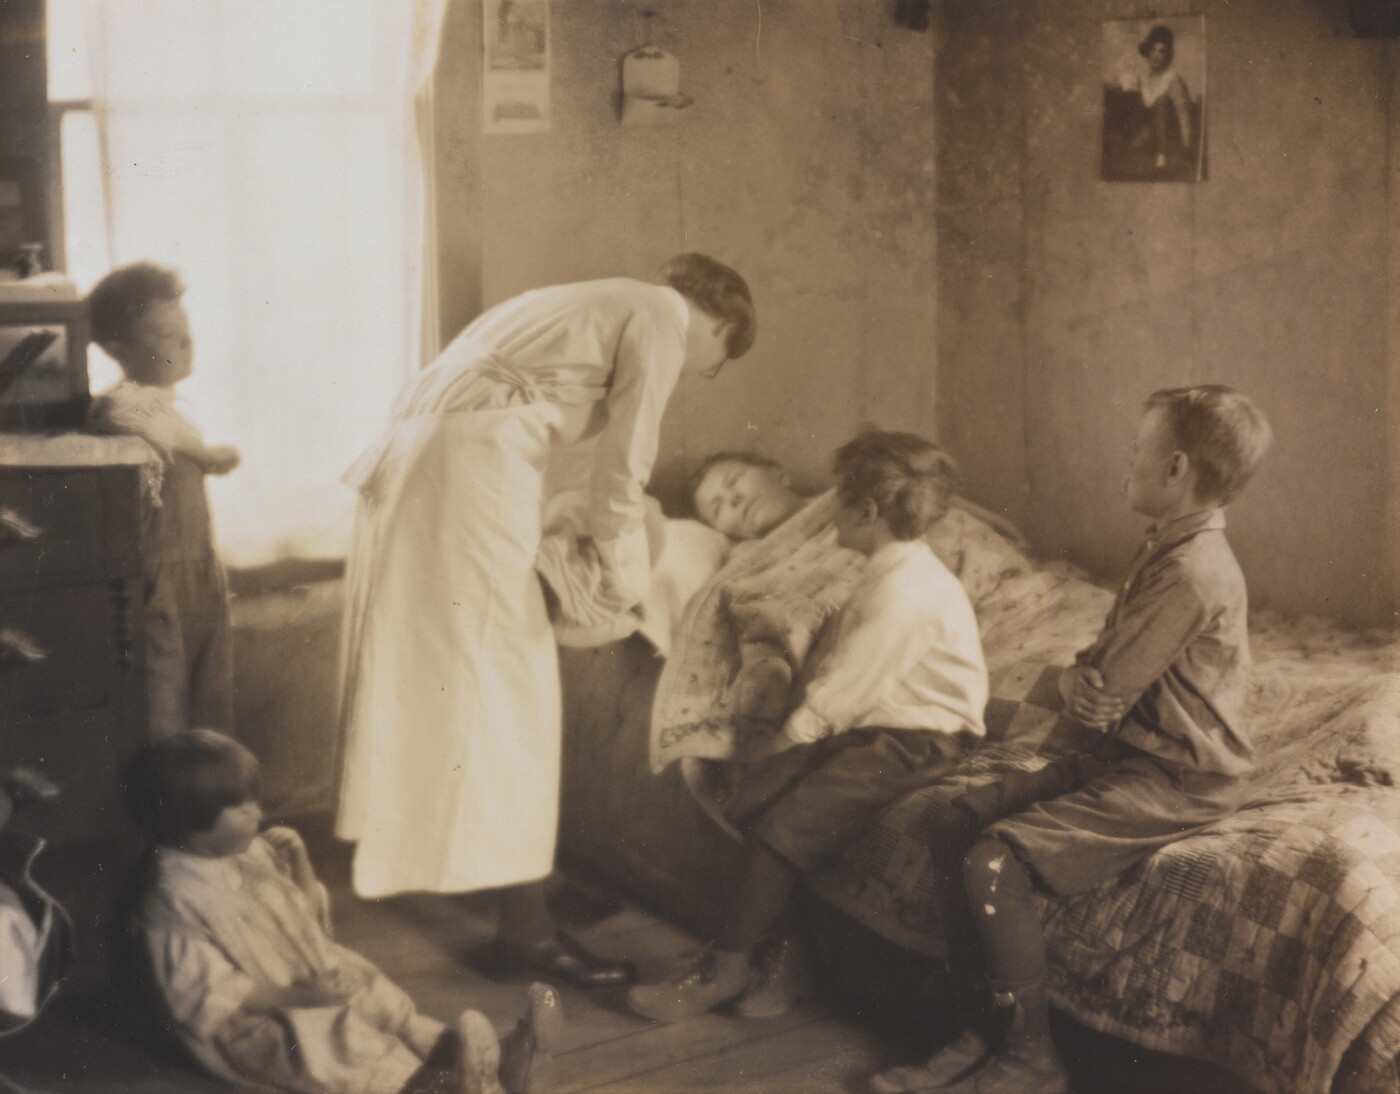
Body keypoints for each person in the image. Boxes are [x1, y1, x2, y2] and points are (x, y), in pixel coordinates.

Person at [336, 255, 756, 988]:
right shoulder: (662, 316)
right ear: (718, 324)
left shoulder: (575, 297)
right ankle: (525, 934)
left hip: (418, 466)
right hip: (465, 473)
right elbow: (625, 464)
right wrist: (626, 580)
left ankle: (518, 876)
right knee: (512, 693)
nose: (699, 369)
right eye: (715, 361)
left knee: (455, 677)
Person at [870, 385, 1271, 1094]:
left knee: (994, 863)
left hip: (1176, 779)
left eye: (1137, 449)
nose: (1129, 459)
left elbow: (1101, 687)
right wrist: (1078, 685)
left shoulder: (1189, 570)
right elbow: (1098, 679)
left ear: (1175, 468)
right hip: (1125, 754)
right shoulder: (1171, 545)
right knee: (953, 821)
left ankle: (1029, 1058)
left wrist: (1060, 687)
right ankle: (981, 1028)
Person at [627, 431, 989, 1022]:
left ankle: (723, 968)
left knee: (787, 823)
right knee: (752, 798)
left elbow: (843, 694)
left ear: (866, 513)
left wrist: (781, 740)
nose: (829, 508)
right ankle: (790, 958)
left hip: (917, 744)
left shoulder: (906, 592)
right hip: (873, 727)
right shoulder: (886, 567)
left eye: (839, 499)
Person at [128, 730, 563, 1094]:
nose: (259, 815)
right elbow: (210, 994)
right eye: (243, 809)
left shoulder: (246, 851)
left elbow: (302, 916)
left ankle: (479, 1062)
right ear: (194, 820)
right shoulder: (172, 896)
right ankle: (436, 1086)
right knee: (337, 1039)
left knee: (382, 1001)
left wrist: (299, 864)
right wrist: (303, 997)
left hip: (307, 977)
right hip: (258, 1021)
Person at [87, 262, 239, 740]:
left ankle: (214, 812)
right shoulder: (121, 405)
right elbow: (139, 419)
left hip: (201, 579)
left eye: (185, 328)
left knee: (213, 710)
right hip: (158, 587)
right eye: (164, 333)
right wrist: (207, 455)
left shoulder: (172, 411)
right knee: (164, 716)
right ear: (118, 350)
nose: (185, 341)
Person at [1107, 24, 1197, 180]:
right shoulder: (1145, 79)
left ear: (1168, 55)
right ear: (1147, 53)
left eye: (1161, 51)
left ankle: (1162, 157)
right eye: (1153, 50)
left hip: (1169, 137)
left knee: (1160, 103)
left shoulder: (1173, 80)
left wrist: (1188, 146)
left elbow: (1184, 115)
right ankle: (1122, 139)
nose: (1156, 55)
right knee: (1128, 95)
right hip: (1148, 135)